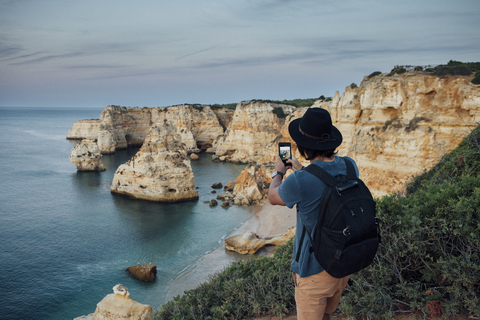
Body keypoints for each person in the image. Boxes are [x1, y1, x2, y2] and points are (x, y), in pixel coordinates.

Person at [268, 107, 359, 320]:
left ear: (301, 147)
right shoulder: (349, 165)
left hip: (314, 271)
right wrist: (300, 168)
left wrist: (279, 172)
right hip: (343, 262)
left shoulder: (300, 181)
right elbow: (325, 183)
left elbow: (273, 196)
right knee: (327, 312)